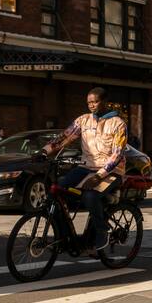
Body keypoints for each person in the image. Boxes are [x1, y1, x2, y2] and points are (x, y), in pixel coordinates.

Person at [40, 87, 126, 250]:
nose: (91, 105)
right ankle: (64, 237)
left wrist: (99, 176)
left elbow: (117, 155)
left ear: (105, 102)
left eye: (95, 101)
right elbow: (64, 137)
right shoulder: (83, 121)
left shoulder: (118, 124)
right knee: (56, 190)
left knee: (90, 196)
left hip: (112, 171)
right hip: (86, 167)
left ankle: (102, 231)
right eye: (89, 103)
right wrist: (44, 152)